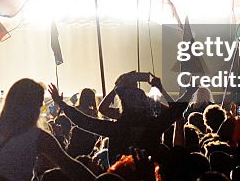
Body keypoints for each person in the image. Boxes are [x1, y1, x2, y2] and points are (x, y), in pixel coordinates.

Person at [48, 71, 192, 166]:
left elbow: (83, 121)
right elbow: (177, 109)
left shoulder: (116, 129)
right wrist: (160, 88)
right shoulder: (154, 126)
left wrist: (60, 103)